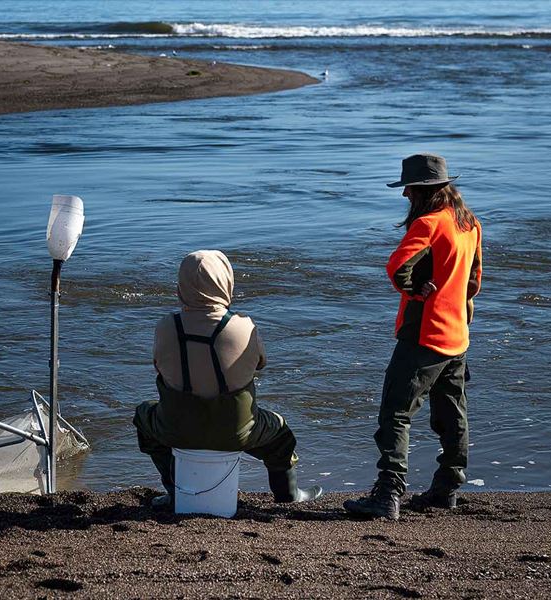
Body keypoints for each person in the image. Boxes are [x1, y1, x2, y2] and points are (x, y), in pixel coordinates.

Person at [344, 153, 482, 520]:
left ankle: (387, 495)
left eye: (409, 187)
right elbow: (473, 283)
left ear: (424, 191)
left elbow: (396, 267)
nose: (405, 194)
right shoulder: (470, 224)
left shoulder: (429, 223)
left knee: (395, 412)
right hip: (458, 337)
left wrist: (415, 289)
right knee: (452, 414)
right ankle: (447, 487)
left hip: (424, 336)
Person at [133, 250, 323, 507]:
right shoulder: (243, 326)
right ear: (226, 284)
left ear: (181, 287)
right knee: (281, 435)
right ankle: (288, 494)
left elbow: (159, 366)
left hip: (176, 429)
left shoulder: (166, 327)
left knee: (143, 417)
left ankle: (176, 489)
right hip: (237, 431)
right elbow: (260, 364)